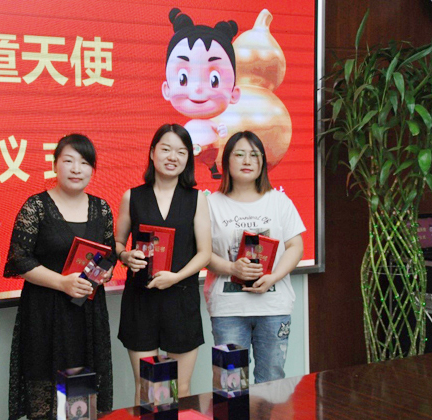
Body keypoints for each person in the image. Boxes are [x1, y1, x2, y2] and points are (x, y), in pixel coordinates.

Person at [4, 134, 115, 420]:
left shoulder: (102, 209)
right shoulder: (36, 207)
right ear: (55, 165)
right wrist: (62, 283)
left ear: (92, 169)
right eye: (68, 161)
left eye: (84, 162)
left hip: (87, 316)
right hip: (45, 314)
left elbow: (109, 255)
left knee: (83, 401)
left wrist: (106, 272)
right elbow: (19, 260)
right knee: (45, 399)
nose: (76, 169)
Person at [116, 123, 212, 404]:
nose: (173, 157)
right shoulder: (132, 196)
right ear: (152, 152)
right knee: (147, 387)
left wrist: (176, 277)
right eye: (166, 149)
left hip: (181, 300)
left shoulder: (196, 199)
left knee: (179, 389)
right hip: (141, 300)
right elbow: (117, 244)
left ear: (188, 158)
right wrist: (125, 256)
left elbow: (205, 253)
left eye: (181, 152)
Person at [205, 131, 305, 383]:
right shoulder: (210, 204)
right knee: (229, 383)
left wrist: (274, 276)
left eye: (254, 155)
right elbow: (203, 254)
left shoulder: (279, 201)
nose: (247, 161)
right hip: (228, 310)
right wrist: (232, 268)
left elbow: (295, 246)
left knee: (271, 381)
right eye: (239, 154)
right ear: (226, 161)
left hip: (274, 307)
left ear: (263, 162)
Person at [162, 8, 240, 177]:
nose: (197, 88)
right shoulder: (183, 128)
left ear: (234, 93)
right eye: (183, 78)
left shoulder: (213, 124)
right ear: (166, 89)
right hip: (190, 150)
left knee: (211, 159)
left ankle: (213, 170)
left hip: (211, 148)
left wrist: (222, 131)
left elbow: (221, 133)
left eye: (214, 80)